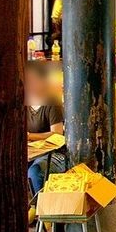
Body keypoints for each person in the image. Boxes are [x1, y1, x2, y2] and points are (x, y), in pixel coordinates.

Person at [26, 62, 67, 194]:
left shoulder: (52, 103)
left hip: (55, 154)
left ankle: (40, 210)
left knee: (35, 171)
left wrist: (30, 136)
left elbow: (58, 135)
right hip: (32, 152)